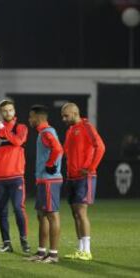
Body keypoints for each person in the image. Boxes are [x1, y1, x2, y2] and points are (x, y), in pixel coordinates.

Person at [61, 103, 105, 261]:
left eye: (66, 115)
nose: (63, 119)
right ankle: (80, 249)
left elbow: (100, 147)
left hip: (84, 177)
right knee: (75, 214)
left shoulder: (87, 127)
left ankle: (87, 250)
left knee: (81, 212)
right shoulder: (70, 130)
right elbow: (65, 151)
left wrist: (91, 167)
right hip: (71, 178)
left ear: (74, 113)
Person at [0, 99, 30, 253]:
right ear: (1, 112)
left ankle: (24, 241)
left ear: (14, 111)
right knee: (2, 211)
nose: (8, 113)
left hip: (16, 176)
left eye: (10, 110)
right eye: (5, 111)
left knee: (18, 208)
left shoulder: (21, 127)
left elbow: (18, 142)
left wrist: (3, 129)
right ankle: (6, 243)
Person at [27, 105, 63, 263]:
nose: (29, 120)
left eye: (31, 117)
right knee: (41, 215)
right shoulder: (43, 132)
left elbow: (58, 149)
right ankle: (41, 252)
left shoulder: (47, 132)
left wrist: (50, 164)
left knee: (52, 215)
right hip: (43, 180)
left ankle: (53, 254)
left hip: (50, 180)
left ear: (38, 117)